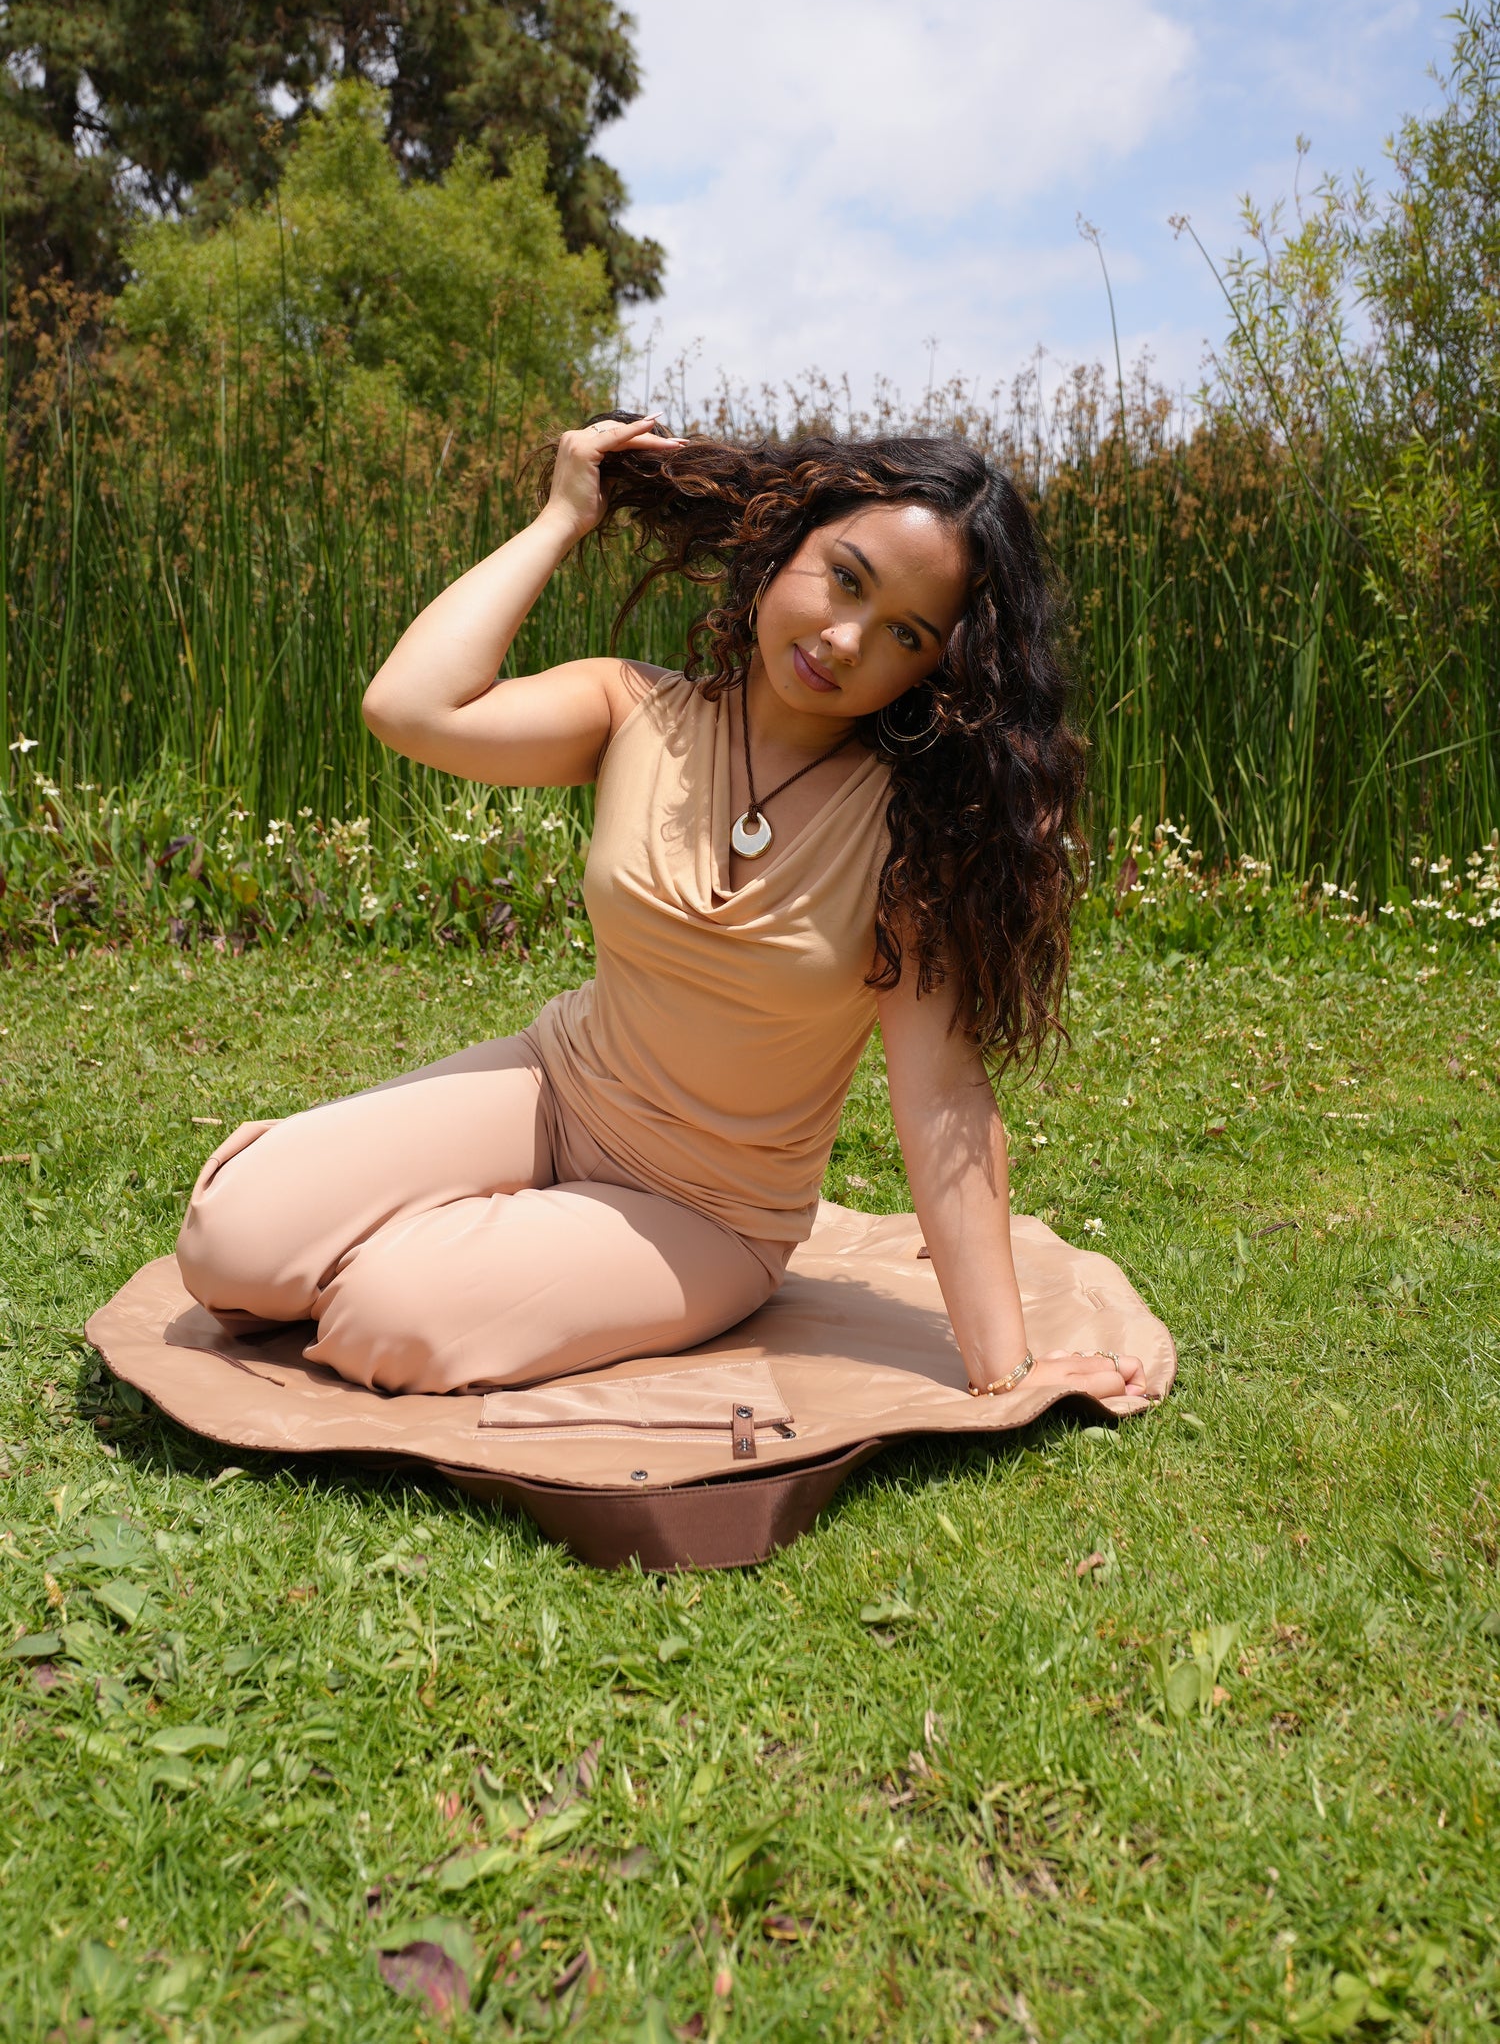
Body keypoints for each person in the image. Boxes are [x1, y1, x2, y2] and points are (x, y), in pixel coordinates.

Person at [176, 414, 1146, 1409]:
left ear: (938, 671)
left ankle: (459, 1253)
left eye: (906, 634)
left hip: (710, 1208)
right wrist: (562, 518)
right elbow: (410, 708)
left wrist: (1005, 1369)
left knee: (388, 1319)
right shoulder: (630, 709)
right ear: (785, 541)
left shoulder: (912, 836)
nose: (846, 640)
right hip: (555, 1090)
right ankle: (451, 1223)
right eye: (846, 579)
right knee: (230, 1242)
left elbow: (942, 1098)